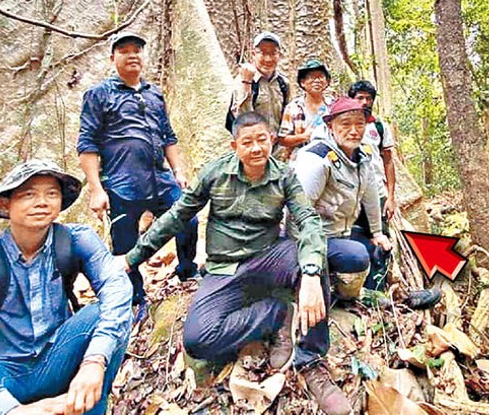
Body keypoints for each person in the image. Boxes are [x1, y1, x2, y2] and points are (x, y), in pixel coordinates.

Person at [125, 112, 352, 415]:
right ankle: (276, 313)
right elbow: (177, 216)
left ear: (272, 139)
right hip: (224, 270)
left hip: (269, 258)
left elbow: (308, 220)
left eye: (262, 139)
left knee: (311, 255)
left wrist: (311, 274)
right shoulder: (215, 173)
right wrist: (132, 258)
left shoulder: (284, 176)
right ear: (235, 146)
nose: (256, 148)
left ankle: (310, 360)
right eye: (247, 142)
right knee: (198, 340)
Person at [0, 160, 133, 415]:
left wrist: (95, 360)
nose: (42, 202)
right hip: (1, 371)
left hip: (55, 357)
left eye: (52, 193)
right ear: (5, 204)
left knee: (106, 313)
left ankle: (90, 409)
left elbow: (116, 285)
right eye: (28, 194)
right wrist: (8, 410)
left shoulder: (75, 240)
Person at [77, 31, 198, 309]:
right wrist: (96, 189)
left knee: (187, 219)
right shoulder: (99, 95)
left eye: (137, 50)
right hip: (122, 182)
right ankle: (135, 297)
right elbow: (87, 144)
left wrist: (177, 170)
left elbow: (168, 136)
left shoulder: (154, 94)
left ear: (144, 56)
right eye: (124, 50)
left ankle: (187, 271)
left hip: (160, 178)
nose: (132, 55)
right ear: (113, 58)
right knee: (124, 242)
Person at [347, 81, 441, 306]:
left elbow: (388, 162)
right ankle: (357, 293)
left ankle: (378, 291)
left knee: (380, 240)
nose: (364, 102)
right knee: (352, 238)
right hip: (349, 194)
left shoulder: (378, 126)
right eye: (359, 97)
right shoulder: (344, 126)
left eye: (368, 98)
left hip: (377, 193)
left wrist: (391, 196)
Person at [294, 97, 393, 300]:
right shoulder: (317, 159)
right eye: (345, 124)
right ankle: (347, 295)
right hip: (315, 239)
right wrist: (304, 258)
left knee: (380, 248)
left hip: (341, 232)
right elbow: (298, 210)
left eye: (360, 124)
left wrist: (377, 232)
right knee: (356, 255)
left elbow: (370, 195)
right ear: (330, 126)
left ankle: (370, 295)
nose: (354, 130)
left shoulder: (363, 157)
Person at [226, 31, 291, 149]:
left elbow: (287, 115)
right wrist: (246, 84)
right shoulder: (244, 81)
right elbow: (242, 118)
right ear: (253, 54)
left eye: (273, 53)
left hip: (278, 150)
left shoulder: (283, 83)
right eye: (263, 53)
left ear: (279, 55)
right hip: (253, 148)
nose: (268, 59)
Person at [278, 59, 332, 163]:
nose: (317, 81)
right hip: (300, 161)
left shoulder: (333, 106)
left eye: (321, 76)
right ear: (302, 82)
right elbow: (282, 140)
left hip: (329, 160)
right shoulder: (293, 107)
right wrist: (304, 137)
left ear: (327, 82)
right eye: (312, 77)